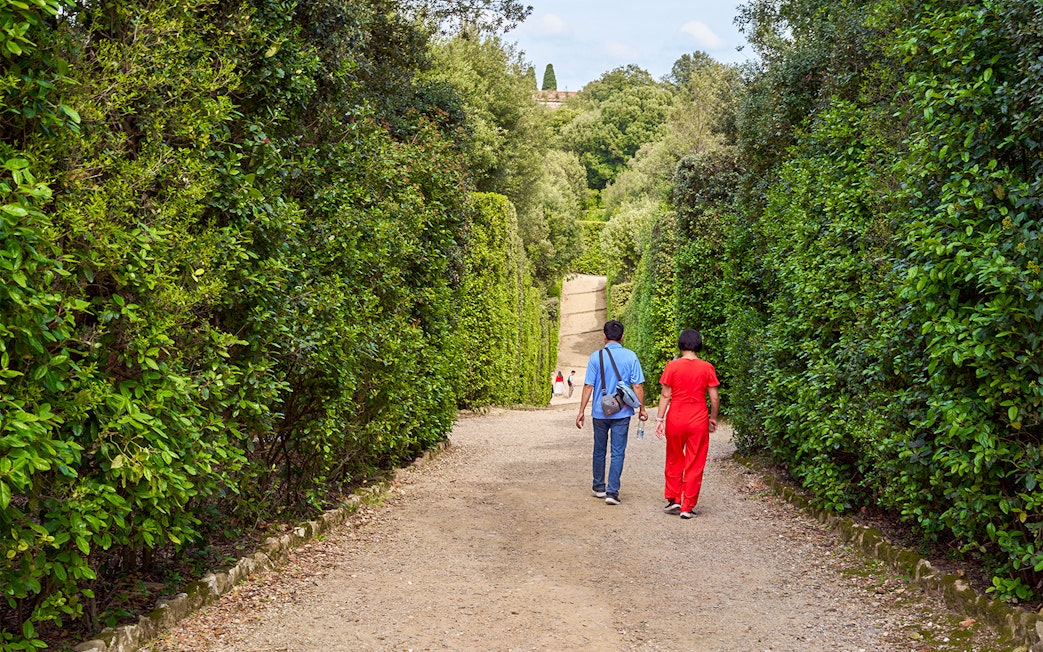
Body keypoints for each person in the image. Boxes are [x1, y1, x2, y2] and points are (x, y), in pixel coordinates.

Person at [576, 320, 647, 505]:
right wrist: (642, 409)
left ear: (604, 336)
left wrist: (581, 410)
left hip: (600, 410)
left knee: (599, 449)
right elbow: (637, 385)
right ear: (622, 336)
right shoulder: (631, 356)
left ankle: (598, 486)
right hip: (622, 411)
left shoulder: (595, 356)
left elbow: (588, 385)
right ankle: (612, 492)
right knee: (618, 452)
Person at [654, 329, 719, 519]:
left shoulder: (672, 366)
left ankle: (674, 499)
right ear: (698, 345)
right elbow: (714, 397)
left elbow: (666, 394)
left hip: (676, 415)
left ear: (680, 345)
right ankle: (687, 506)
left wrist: (659, 419)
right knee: (695, 460)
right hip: (698, 416)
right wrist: (713, 417)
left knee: (674, 457)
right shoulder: (707, 367)